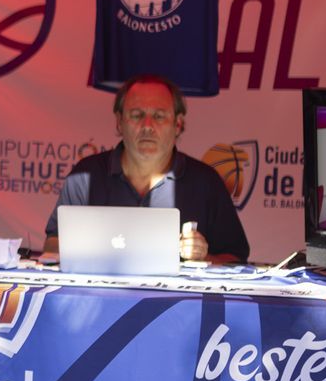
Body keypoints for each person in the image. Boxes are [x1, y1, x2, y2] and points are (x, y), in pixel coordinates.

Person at [43, 74, 249, 262]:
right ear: (119, 122)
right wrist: (90, 249)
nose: (148, 126)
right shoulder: (85, 176)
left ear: (178, 124)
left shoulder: (206, 182)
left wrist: (202, 258)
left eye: (159, 116)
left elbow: (235, 259)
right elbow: (52, 244)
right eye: (136, 115)